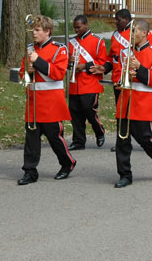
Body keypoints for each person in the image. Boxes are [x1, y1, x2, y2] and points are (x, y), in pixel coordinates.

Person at [17, 15, 76, 185]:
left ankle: (67, 163)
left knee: (54, 137)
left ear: (47, 31)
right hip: (33, 100)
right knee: (31, 139)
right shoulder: (29, 48)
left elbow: (58, 74)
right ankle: (30, 171)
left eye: (37, 30)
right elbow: (23, 74)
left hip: (51, 101)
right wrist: (28, 71)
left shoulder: (60, 49)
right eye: (33, 30)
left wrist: (37, 62)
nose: (34, 33)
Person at [114, 19, 152, 188]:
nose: (131, 34)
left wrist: (139, 67)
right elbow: (116, 76)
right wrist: (123, 77)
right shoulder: (124, 53)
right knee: (122, 140)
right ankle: (125, 174)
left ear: (144, 33)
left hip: (143, 102)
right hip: (125, 100)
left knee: (145, 138)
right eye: (130, 31)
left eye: (134, 31)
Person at [100, 8, 152, 152]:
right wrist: (104, 68)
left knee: (136, 117)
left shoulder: (141, 31)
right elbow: (113, 56)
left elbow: (151, 55)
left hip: (137, 80)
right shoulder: (115, 35)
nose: (116, 22)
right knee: (122, 115)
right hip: (119, 80)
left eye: (118, 19)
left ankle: (144, 140)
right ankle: (123, 141)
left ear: (127, 19)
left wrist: (139, 70)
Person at [67, 15, 107, 150]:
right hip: (74, 84)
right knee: (75, 113)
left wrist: (84, 66)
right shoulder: (71, 42)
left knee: (89, 110)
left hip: (90, 83)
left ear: (86, 25)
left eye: (79, 27)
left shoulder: (98, 41)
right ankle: (78, 141)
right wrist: (69, 62)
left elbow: (102, 62)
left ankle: (99, 131)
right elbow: (64, 63)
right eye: (75, 28)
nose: (76, 30)